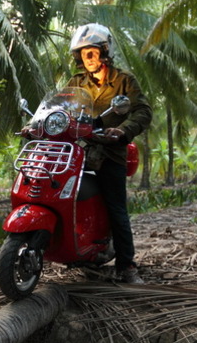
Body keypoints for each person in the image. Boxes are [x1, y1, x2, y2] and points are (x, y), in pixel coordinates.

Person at [66, 23, 153, 283]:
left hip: (109, 153)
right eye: (84, 54)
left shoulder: (124, 80)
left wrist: (123, 131)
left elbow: (143, 111)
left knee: (116, 207)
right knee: (69, 200)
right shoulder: (76, 82)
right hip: (76, 153)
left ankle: (126, 265)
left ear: (104, 51)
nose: (89, 59)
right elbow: (59, 107)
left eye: (92, 52)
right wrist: (39, 121)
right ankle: (80, 251)